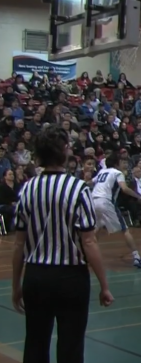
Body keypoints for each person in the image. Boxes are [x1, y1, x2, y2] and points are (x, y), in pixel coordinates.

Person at [11, 126, 114, 363]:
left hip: (36, 276)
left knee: (35, 344)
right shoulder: (78, 188)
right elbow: (89, 241)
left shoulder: (27, 189)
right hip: (70, 277)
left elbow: (19, 245)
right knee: (71, 345)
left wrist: (16, 284)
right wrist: (104, 284)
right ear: (65, 151)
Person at [92, 154, 141, 268]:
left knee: (97, 228)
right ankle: (137, 257)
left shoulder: (102, 172)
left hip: (93, 201)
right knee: (124, 230)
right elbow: (124, 188)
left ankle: (86, 254)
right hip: (106, 202)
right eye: (122, 162)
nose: (124, 164)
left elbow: (90, 182)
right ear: (117, 164)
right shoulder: (117, 173)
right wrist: (138, 196)